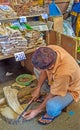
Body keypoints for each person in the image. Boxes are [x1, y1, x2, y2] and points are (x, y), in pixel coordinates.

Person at [23, 45, 80, 125]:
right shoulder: (49, 49)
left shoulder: (64, 73)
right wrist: (38, 88)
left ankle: (51, 113)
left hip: (71, 89)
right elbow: (44, 71)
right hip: (57, 79)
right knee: (37, 69)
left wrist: (37, 110)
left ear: (51, 66)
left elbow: (53, 94)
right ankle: (47, 91)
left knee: (52, 105)